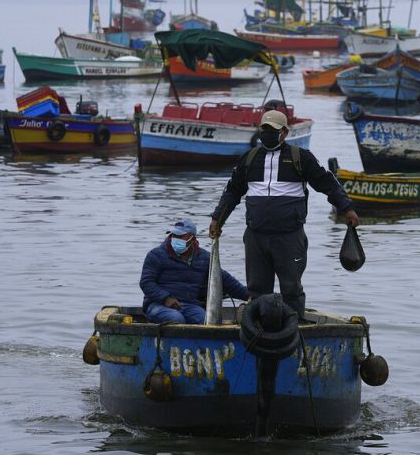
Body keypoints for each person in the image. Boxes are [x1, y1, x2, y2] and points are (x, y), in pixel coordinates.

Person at [209, 109, 359, 317]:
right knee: (257, 290)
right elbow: (232, 192)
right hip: (256, 237)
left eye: (274, 130)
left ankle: (293, 329)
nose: (268, 133)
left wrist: (347, 208)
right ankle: (258, 330)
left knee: (291, 289)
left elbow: (328, 184)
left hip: (290, 238)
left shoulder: (300, 158)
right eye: (265, 129)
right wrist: (218, 219)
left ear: (285, 133)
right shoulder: (249, 159)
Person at [140, 219, 249, 324]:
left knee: (205, 321)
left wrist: (250, 296)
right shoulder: (156, 255)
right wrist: (166, 298)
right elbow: (146, 283)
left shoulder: (204, 258)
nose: (175, 239)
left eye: (180, 236)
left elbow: (225, 280)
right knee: (176, 318)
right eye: (174, 235)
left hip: (189, 305)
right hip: (158, 305)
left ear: (192, 239)